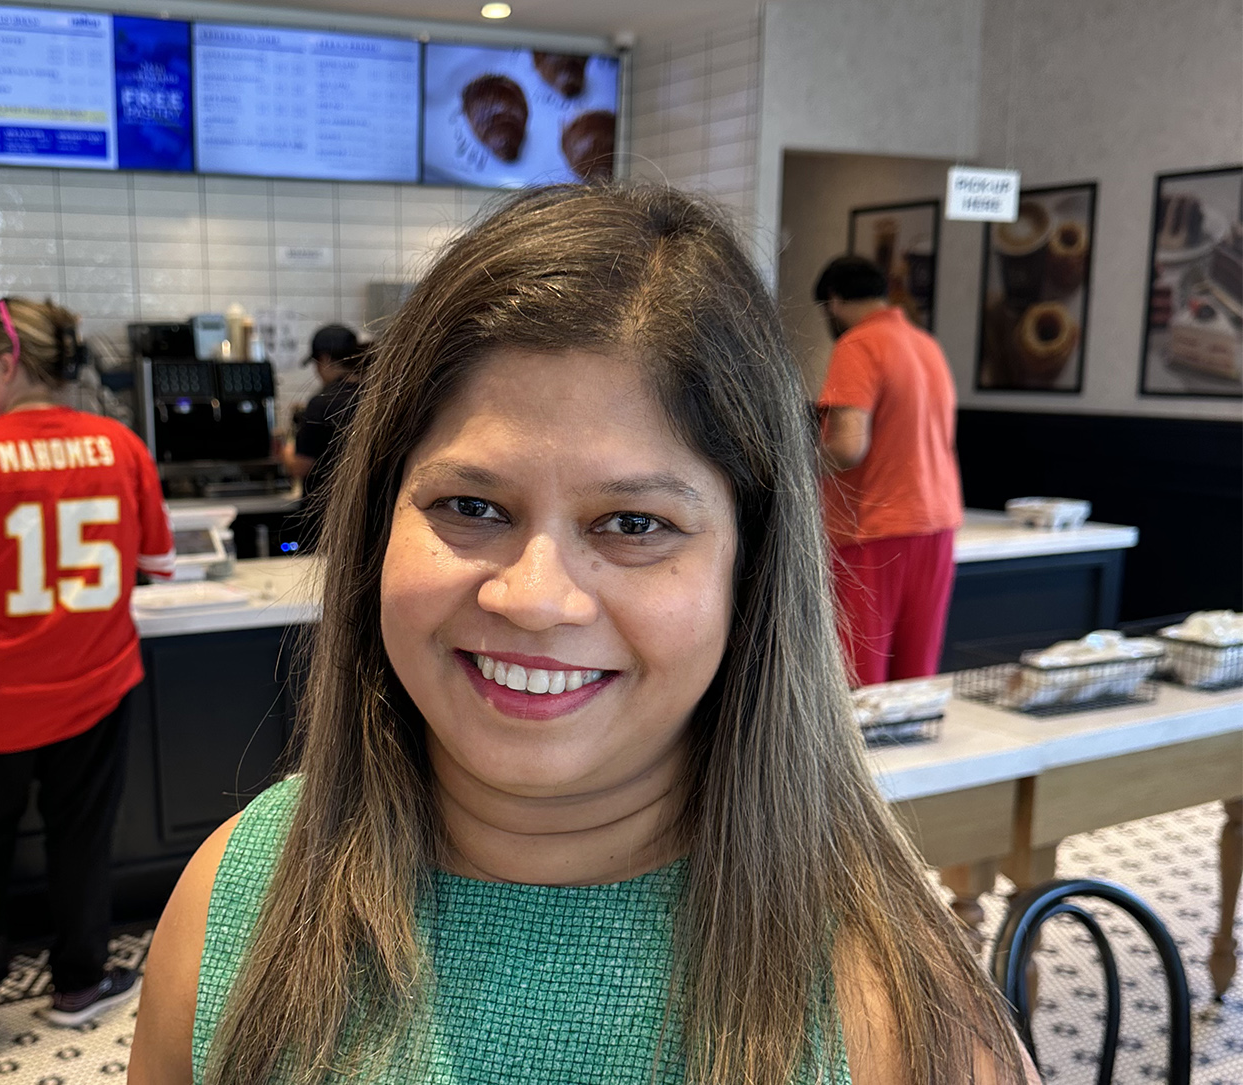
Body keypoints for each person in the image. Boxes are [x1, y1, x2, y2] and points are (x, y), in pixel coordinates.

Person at [127, 186, 1030, 1085]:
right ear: (375, 529)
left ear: (749, 572)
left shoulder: (904, 1017)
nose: (535, 598)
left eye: (633, 523)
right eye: (470, 505)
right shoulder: (233, 899)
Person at [0, 297, 175, 1059]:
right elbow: (155, 562)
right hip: (95, 683)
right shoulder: (121, 445)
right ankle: (80, 983)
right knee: (80, 837)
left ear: (7, 363)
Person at [814, 255, 964, 686]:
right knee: (915, 681)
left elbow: (846, 447)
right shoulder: (926, 345)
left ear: (835, 301)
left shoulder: (858, 345)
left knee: (862, 681)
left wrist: (789, 469)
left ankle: (859, 760)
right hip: (936, 526)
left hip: (874, 529)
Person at [277, 323, 366, 549]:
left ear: (324, 359)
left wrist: (283, 449)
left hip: (325, 518)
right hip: (367, 512)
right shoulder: (376, 394)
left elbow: (300, 466)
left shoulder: (321, 403)